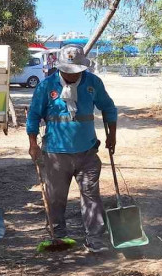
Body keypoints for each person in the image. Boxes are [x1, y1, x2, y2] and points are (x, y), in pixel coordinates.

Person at [26, 45, 118, 253]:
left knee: (91, 195)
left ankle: (94, 238)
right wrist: (33, 143)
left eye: (75, 70)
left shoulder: (93, 83)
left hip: (87, 152)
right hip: (56, 153)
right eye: (67, 70)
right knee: (56, 196)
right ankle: (57, 235)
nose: (71, 74)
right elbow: (33, 115)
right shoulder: (46, 86)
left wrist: (112, 135)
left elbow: (109, 108)